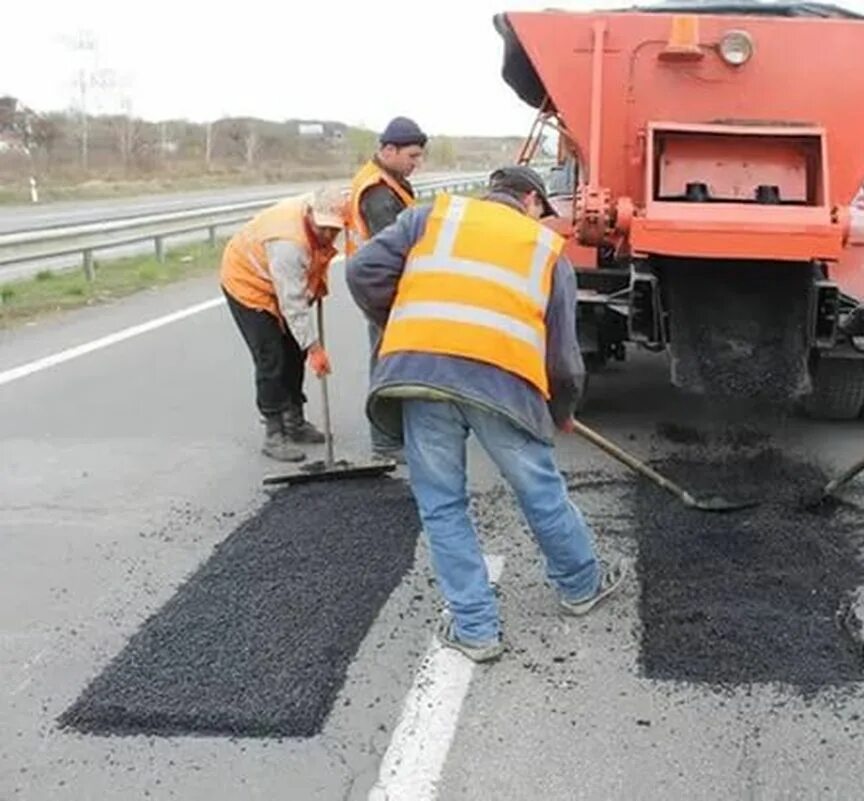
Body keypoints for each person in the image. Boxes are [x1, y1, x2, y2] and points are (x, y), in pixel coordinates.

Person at [344, 165, 628, 662]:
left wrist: (403, 322)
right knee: (539, 489)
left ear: (492, 193)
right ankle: (581, 586)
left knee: (441, 503)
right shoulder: (546, 251)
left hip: (421, 371)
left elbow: (360, 271)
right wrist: (561, 408)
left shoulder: (432, 217)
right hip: (504, 384)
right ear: (532, 202)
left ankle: (475, 630)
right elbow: (563, 358)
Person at [220, 186, 347, 462]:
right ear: (311, 215)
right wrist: (315, 348)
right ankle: (274, 432)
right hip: (248, 281)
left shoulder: (326, 218)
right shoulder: (288, 242)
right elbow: (293, 302)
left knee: (294, 349)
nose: (328, 235)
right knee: (271, 356)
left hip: (281, 279)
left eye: (334, 230)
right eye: (323, 228)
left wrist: (305, 344)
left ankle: (295, 421)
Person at [345, 116, 427, 460]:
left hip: (385, 285)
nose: (416, 164)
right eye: (411, 156)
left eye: (419, 156)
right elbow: (392, 249)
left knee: (393, 358)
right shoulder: (378, 193)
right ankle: (385, 442)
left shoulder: (389, 182)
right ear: (389, 150)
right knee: (387, 361)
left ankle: (397, 433)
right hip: (382, 289)